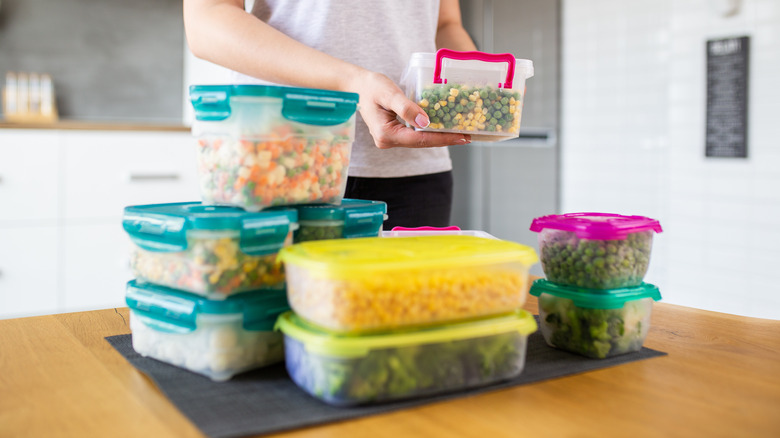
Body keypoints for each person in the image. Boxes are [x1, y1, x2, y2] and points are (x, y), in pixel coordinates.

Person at [183, 0, 478, 228]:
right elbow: (207, 18)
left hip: (415, 173)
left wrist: (479, 83)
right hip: (281, 156)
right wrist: (351, 81)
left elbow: (444, 24)